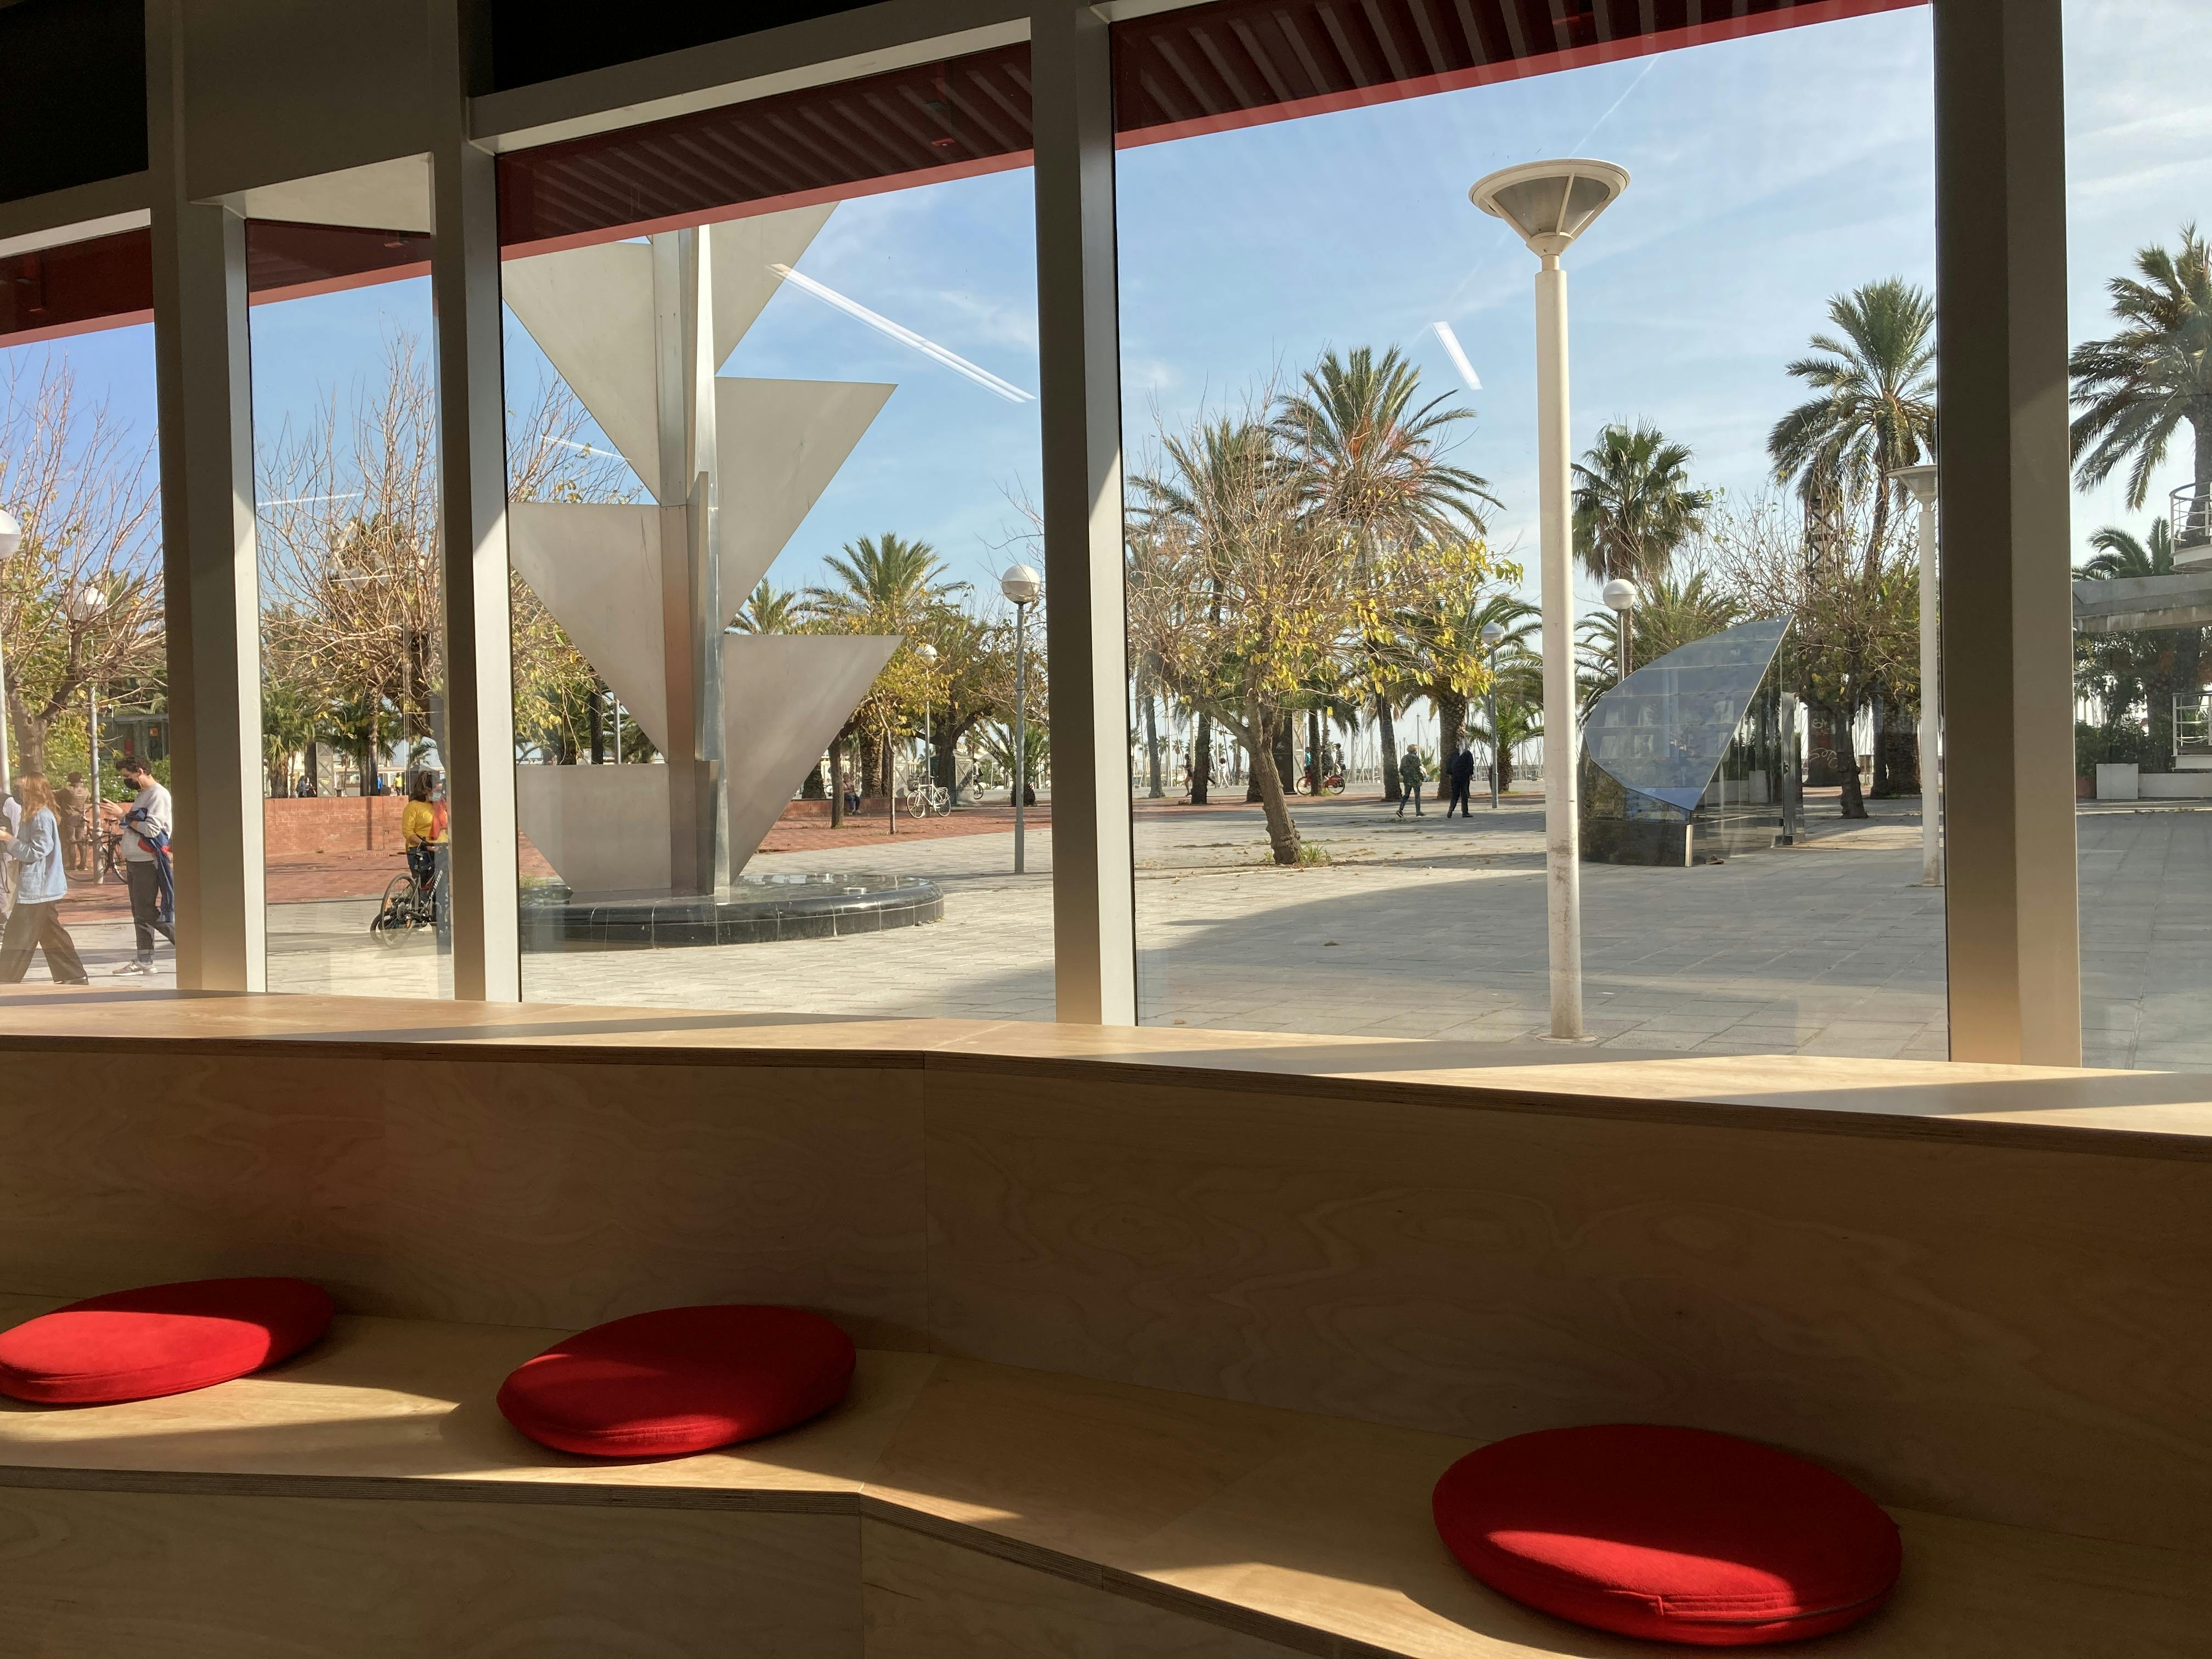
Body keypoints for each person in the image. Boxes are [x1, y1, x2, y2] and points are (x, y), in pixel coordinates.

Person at [0, 774, 89, 986]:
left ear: (33, 791)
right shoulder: (32, 815)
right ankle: (74, 975)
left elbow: (36, 852)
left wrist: (9, 839)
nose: (16, 792)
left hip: (38, 887)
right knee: (51, 933)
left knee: (19, 934)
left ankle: (5, 978)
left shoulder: (41, 817)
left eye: (20, 788)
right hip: (40, 886)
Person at [112, 757, 176, 976]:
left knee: (146, 911)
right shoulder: (143, 795)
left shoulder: (158, 795)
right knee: (139, 913)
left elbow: (151, 830)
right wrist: (126, 819)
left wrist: (123, 816)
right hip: (135, 860)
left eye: (127, 776)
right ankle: (145, 960)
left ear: (140, 771)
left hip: (148, 861)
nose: (125, 780)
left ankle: (190, 945)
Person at [55, 772, 89, 874]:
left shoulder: (67, 790)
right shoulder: (86, 790)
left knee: (71, 841)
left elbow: (55, 793)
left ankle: (72, 865)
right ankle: (83, 865)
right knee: (81, 841)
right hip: (81, 818)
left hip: (69, 817)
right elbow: (88, 798)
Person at [1396, 744, 1426, 818]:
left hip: (1407, 780)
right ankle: (1418, 811)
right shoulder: (1416, 758)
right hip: (1415, 779)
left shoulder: (1404, 758)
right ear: (1414, 751)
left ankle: (1400, 809)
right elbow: (1417, 769)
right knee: (1417, 795)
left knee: (1406, 795)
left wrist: (1406, 775)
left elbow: (1401, 769)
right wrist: (1420, 778)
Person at [1446, 744, 1476, 817]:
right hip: (1464, 776)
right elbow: (1470, 764)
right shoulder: (1468, 753)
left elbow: (1449, 764)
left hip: (1455, 776)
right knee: (1465, 794)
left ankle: (1451, 810)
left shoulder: (1453, 754)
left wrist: (1450, 774)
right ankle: (1465, 812)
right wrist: (1470, 774)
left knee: (1455, 794)